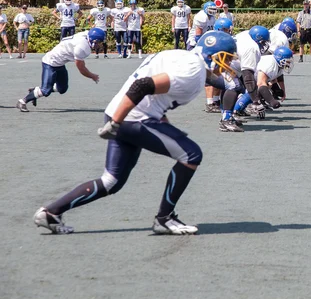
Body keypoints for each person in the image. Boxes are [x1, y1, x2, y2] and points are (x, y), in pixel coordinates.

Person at [32, 32, 239, 235]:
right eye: (227, 57)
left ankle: (51, 212)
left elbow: (163, 93)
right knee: (191, 155)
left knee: (110, 182)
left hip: (122, 112)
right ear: (214, 54)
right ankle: (164, 218)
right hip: (132, 118)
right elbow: (143, 86)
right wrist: (116, 123)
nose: (228, 62)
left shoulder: (181, 56)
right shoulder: (192, 69)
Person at [16, 29, 104, 112]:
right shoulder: (82, 47)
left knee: (62, 88)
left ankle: (35, 91)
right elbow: (81, 68)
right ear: (93, 40)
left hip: (60, 63)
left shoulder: (87, 34)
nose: (99, 44)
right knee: (45, 91)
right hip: (50, 62)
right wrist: (92, 76)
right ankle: (22, 101)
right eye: (99, 42)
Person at [190, 1, 219, 112]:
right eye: (211, 9)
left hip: (207, 44)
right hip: (196, 44)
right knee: (206, 71)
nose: (213, 11)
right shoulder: (201, 16)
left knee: (213, 71)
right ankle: (210, 102)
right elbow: (198, 36)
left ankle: (214, 100)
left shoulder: (212, 17)